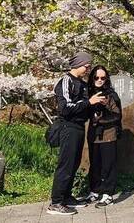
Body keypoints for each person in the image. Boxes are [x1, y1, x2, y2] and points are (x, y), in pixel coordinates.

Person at [47, 52, 106, 216]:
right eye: (86, 66)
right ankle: (56, 202)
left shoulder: (81, 83)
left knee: (74, 163)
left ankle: (66, 197)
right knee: (66, 164)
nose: (88, 69)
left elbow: (84, 106)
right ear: (78, 64)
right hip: (68, 127)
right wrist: (89, 102)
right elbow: (65, 108)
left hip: (79, 127)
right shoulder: (66, 81)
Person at [84, 66, 122, 207]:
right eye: (96, 77)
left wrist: (101, 118)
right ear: (92, 78)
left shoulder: (111, 95)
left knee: (108, 164)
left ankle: (108, 194)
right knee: (95, 164)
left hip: (108, 134)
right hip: (93, 134)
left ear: (106, 79)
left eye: (103, 78)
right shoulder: (88, 94)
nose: (99, 80)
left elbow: (117, 115)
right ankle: (95, 191)